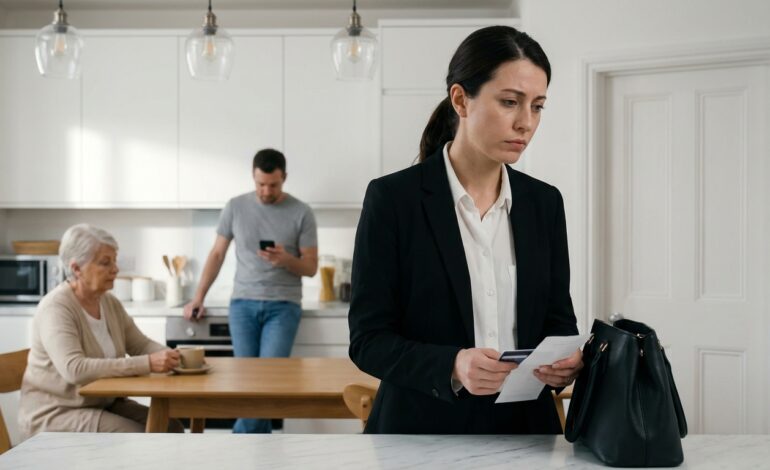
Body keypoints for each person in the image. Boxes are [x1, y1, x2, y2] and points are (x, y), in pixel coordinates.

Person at [348, 25, 583, 434]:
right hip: (419, 434)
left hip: (527, 433)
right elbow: (368, 340)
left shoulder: (545, 204)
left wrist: (565, 363)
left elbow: (558, 322)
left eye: (538, 106)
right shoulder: (393, 199)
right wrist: (453, 365)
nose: (526, 122)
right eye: (510, 102)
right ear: (461, 100)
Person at [183, 148, 318, 434]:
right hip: (242, 305)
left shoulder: (301, 212)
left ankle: (240, 442)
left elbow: (310, 267)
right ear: (253, 177)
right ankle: (260, 453)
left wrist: (286, 260)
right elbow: (217, 254)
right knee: (246, 382)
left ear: (285, 178)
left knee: (267, 382)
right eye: (260, 184)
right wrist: (198, 297)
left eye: (273, 185)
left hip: (283, 306)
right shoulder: (235, 207)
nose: (266, 191)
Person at [18, 224, 183, 437]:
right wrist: (148, 363)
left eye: (114, 261)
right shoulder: (56, 308)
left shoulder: (108, 302)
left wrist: (173, 357)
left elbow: (140, 344)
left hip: (101, 404)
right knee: (138, 437)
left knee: (172, 426)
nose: (115, 269)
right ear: (76, 268)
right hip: (56, 412)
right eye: (105, 263)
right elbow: (74, 369)